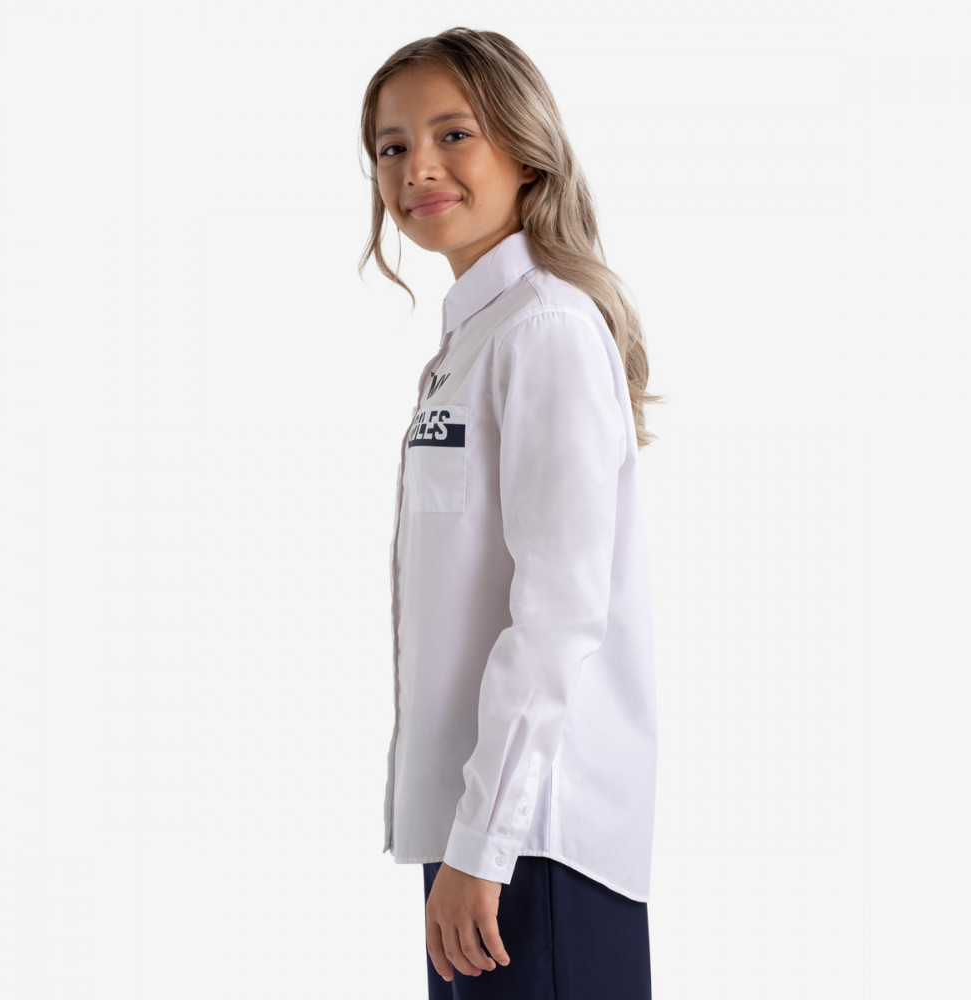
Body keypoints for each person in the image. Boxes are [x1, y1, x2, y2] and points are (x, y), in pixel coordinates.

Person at [359, 27, 663, 1000]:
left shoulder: (546, 329)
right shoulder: (474, 340)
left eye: (453, 134)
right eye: (392, 146)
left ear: (525, 150)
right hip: (475, 836)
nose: (417, 168)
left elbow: (559, 612)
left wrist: (485, 844)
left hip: (534, 842)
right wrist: (467, 843)